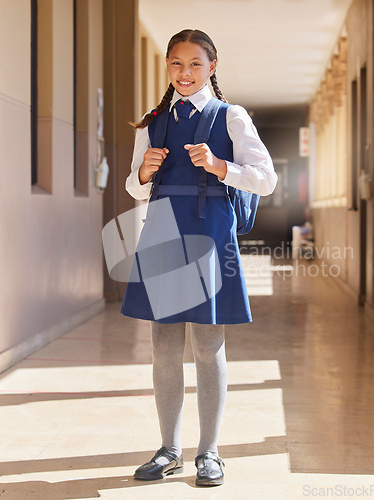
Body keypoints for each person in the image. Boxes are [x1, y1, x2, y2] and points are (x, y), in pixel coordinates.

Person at [120, 28, 277, 487]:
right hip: (164, 233)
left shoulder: (231, 117)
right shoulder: (153, 121)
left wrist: (220, 166)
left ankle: (209, 453)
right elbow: (134, 186)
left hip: (211, 234)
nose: (184, 73)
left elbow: (265, 179)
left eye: (194, 63)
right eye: (176, 63)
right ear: (167, 67)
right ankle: (168, 449)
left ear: (212, 66)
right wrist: (144, 171)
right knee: (163, 348)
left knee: (208, 348)